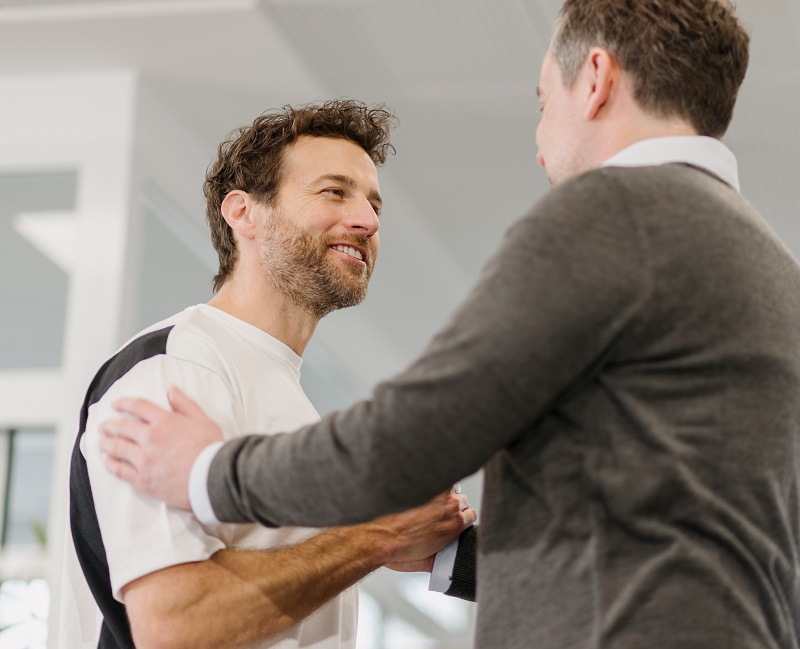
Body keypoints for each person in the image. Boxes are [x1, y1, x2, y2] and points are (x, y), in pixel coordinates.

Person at [99, 1, 800, 648]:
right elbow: (664, 529)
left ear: (595, 80)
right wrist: (447, 554)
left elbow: (415, 436)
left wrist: (206, 471)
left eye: (543, 102)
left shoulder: (611, 214)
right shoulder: (773, 270)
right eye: (334, 191)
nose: (540, 142)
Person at [65, 99, 476, 649]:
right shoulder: (176, 365)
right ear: (243, 213)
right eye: (334, 192)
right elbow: (175, 625)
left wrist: (399, 535)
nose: (369, 220)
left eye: (374, 204)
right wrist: (377, 536)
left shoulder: (291, 403)